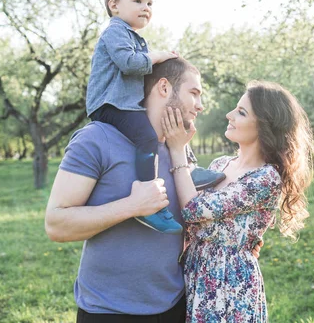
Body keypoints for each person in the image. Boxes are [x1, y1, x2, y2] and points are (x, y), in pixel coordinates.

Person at [46, 58, 261, 322]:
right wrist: (131, 206)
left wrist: (242, 240)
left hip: (175, 304)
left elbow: (195, 217)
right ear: (164, 88)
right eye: (194, 93)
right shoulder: (97, 138)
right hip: (109, 311)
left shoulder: (180, 150)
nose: (201, 105)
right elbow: (56, 224)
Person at [162, 81, 314, 322]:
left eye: (241, 112)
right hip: (196, 276)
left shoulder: (266, 178)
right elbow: (191, 223)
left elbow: (193, 210)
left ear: (264, 125)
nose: (229, 115)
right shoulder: (219, 164)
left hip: (230, 289)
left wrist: (177, 149)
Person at [85, 0, 223, 234]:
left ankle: (190, 169)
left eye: (150, 3)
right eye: (138, 1)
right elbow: (129, 63)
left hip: (126, 102)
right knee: (147, 137)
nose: (145, 8)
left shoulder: (133, 37)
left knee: (171, 117)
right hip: (110, 104)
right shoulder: (115, 32)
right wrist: (158, 55)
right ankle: (149, 202)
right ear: (114, 5)